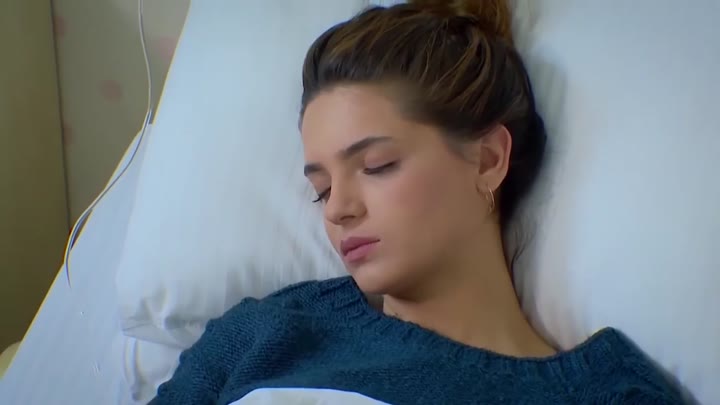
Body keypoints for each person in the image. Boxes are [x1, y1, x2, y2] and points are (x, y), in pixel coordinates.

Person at [151, 1, 684, 404]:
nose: (337, 210)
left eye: (376, 165)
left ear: (487, 160)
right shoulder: (266, 331)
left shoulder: (608, 393)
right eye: (322, 189)